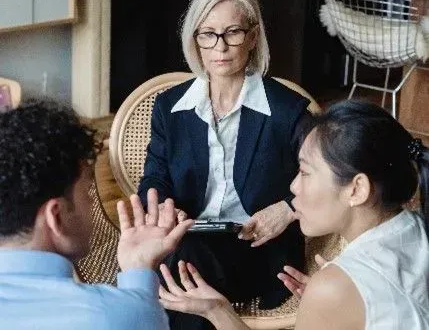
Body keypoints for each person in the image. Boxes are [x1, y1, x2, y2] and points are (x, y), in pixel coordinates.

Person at [158, 100, 429, 330]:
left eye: (306, 172)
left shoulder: (335, 288)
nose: (293, 186)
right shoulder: (416, 228)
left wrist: (217, 310)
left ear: (356, 189)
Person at [138, 0, 312, 327]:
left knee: (176, 269)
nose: (220, 47)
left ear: (253, 36)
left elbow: (328, 177)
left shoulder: (287, 111)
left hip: (259, 248)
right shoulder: (169, 108)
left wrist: (288, 209)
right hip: (188, 237)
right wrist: (163, 207)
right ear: (196, 40)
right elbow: (154, 179)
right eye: (208, 34)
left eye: (232, 32)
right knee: (179, 258)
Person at [0, 99, 194, 330]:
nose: (91, 203)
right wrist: (139, 287)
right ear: (57, 216)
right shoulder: (114, 315)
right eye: (86, 193)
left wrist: (138, 269)